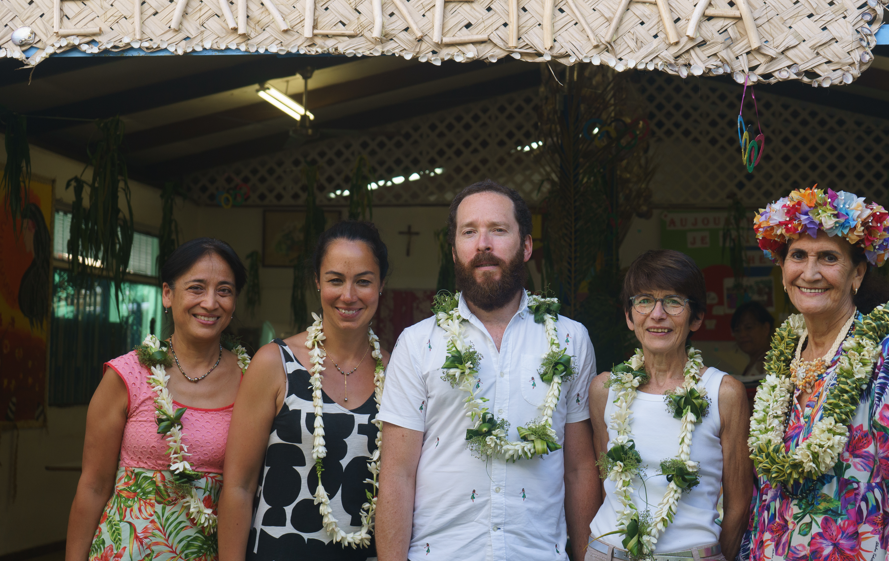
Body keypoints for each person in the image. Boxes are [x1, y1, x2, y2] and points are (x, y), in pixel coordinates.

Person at [375, 180, 601, 561]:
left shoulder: (570, 339)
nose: (483, 244)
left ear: (526, 246)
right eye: (469, 232)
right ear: (454, 251)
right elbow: (397, 475)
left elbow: (579, 470)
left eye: (498, 230)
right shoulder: (416, 343)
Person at [744, 187, 889, 561]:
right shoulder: (784, 360)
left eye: (828, 258)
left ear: (857, 274)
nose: (810, 272)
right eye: (798, 255)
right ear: (783, 269)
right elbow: (766, 495)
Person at [65, 238, 249, 561]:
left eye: (224, 290)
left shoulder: (252, 381)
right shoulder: (127, 376)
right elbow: (92, 487)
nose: (210, 302)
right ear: (167, 294)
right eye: (196, 288)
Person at [218, 221, 391, 560]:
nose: (349, 295)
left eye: (364, 281)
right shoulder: (275, 364)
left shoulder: (397, 372)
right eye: (335, 280)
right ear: (317, 281)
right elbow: (238, 487)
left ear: (381, 285)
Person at [588, 250, 752, 561]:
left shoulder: (723, 392)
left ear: (697, 317)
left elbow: (739, 502)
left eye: (674, 301)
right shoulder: (604, 390)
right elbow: (602, 482)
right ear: (629, 315)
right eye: (644, 300)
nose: (657, 314)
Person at [731, 301, 774, 377]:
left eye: (749, 327)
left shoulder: (773, 362)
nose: (742, 334)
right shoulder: (755, 363)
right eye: (737, 330)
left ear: (766, 328)